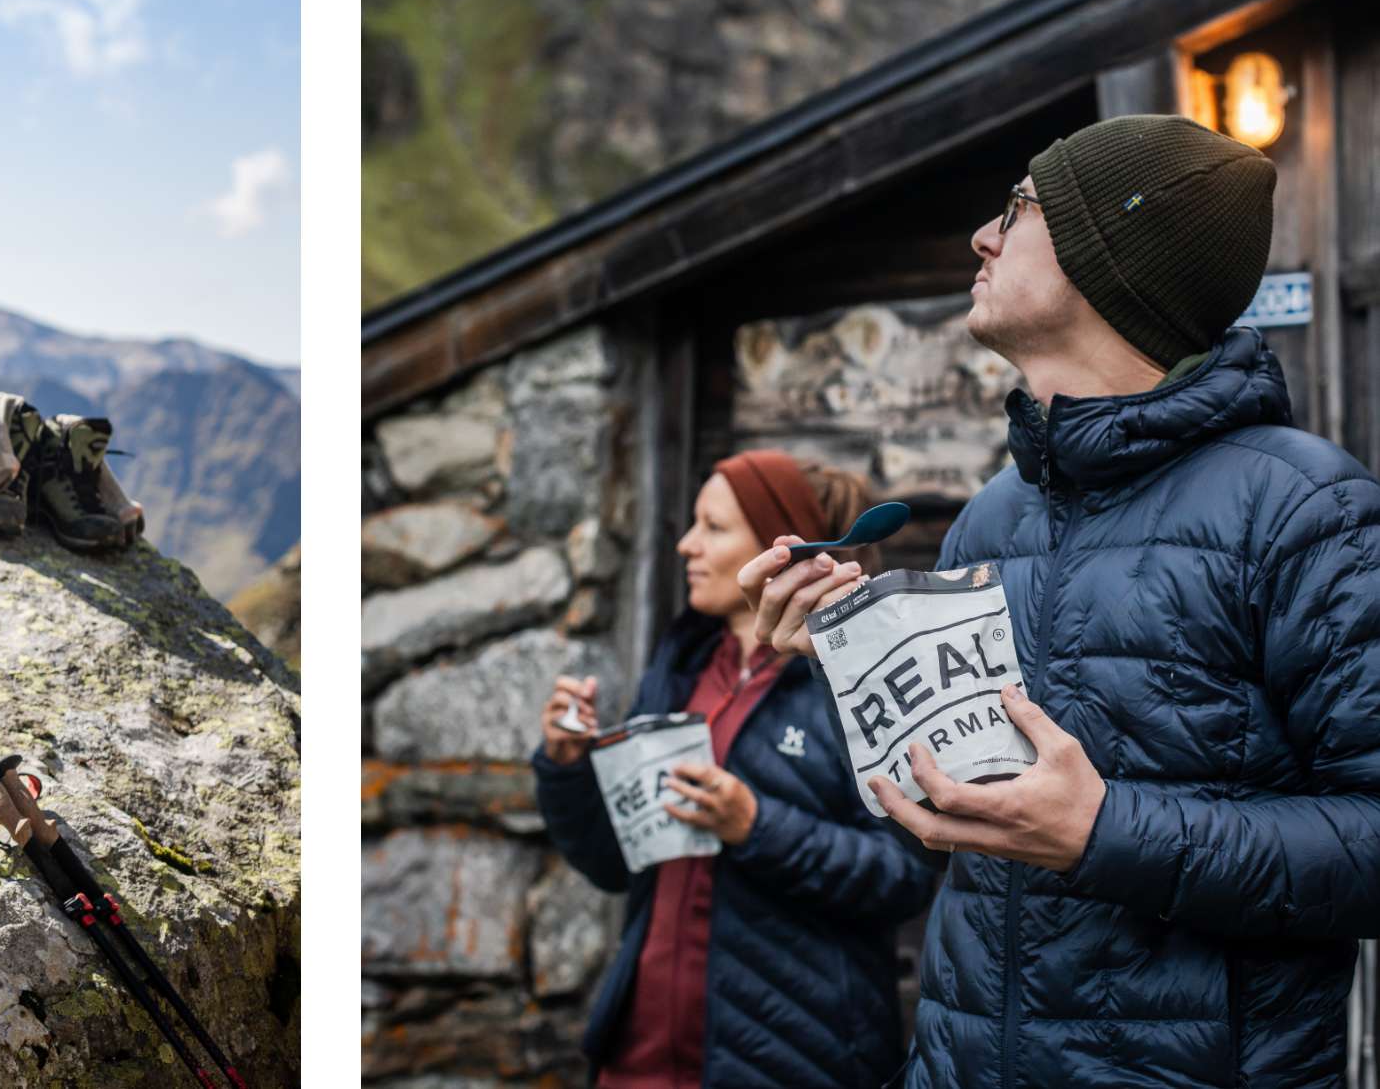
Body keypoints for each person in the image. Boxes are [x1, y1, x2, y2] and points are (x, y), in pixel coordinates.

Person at [744, 114, 1380, 1086]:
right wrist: (843, 659)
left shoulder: (1306, 508)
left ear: (1113, 250)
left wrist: (1105, 832)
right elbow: (933, 825)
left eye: (1020, 208)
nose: (982, 237)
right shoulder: (991, 519)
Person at [534, 451, 938, 1088]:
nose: (686, 545)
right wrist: (566, 767)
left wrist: (756, 827)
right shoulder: (683, 667)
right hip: (639, 1059)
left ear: (779, 550)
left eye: (714, 527)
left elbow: (906, 876)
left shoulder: (858, 676)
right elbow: (615, 864)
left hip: (791, 1062)